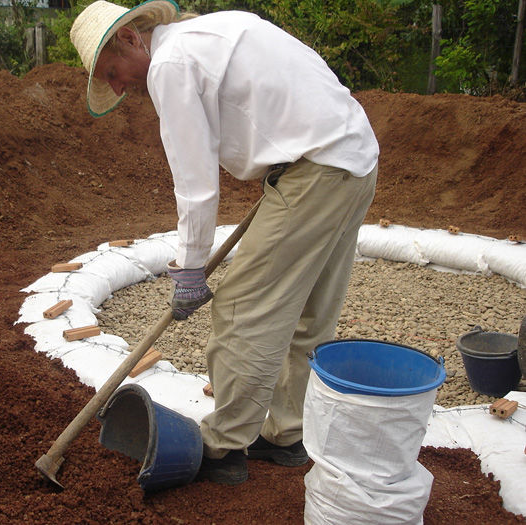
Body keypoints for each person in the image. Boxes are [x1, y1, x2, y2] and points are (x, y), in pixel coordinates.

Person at [70, 0, 379, 485]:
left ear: (131, 38)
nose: (117, 86)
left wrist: (191, 269)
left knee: (240, 305)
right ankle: (286, 434)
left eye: (112, 71)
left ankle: (224, 446)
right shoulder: (217, 30)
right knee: (310, 312)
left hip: (316, 168)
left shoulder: (170, 66)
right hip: (354, 157)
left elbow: (195, 184)